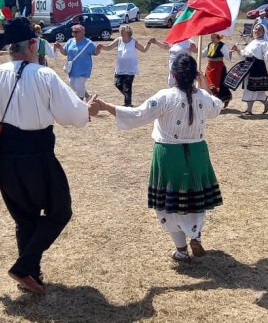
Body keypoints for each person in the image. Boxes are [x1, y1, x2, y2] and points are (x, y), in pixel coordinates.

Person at [0, 17, 99, 294]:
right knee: (60, 211)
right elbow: (73, 116)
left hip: (6, 157)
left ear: (9, 48)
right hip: (39, 155)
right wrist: (88, 110)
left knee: (25, 218)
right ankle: (25, 267)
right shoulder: (44, 75)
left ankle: (31, 275)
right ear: (34, 44)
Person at [92, 54, 223, 262]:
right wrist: (204, 82)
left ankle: (181, 249)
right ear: (194, 76)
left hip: (169, 154)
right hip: (198, 153)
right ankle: (195, 233)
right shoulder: (203, 97)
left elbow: (137, 115)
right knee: (194, 199)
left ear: (173, 75)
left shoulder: (164, 97)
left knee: (169, 203)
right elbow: (217, 107)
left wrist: (107, 106)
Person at [95, 25, 152, 106]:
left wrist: (149, 43)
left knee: (127, 86)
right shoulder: (118, 40)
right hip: (120, 67)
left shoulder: (133, 41)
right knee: (117, 83)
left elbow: (143, 49)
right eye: (120, 30)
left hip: (130, 68)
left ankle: (128, 104)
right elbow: (108, 47)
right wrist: (102, 47)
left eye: (122, 30)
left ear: (128, 31)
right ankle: (127, 97)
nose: (120, 32)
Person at [230, 25, 268, 116]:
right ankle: (266, 103)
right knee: (251, 88)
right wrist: (238, 50)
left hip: (257, 67)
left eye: (259, 30)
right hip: (248, 66)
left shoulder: (264, 43)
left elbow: (267, 56)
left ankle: (249, 110)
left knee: (252, 88)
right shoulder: (252, 42)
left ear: (263, 32)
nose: (256, 31)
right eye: (255, 29)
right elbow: (245, 54)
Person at [54, 24, 98, 100]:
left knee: (78, 85)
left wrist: (99, 49)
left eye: (76, 32)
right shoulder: (70, 41)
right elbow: (65, 52)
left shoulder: (88, 43)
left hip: (83, 69)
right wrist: (60, 47)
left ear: (83, 32)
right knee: (73, 85)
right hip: (72, 69)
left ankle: (80, 103)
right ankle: (88, 97)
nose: (74, 34)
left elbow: (95, 53)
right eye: (73, 32)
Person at [202, 34, 238, 108]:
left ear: (218, 38)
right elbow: (203, 54)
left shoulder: (222, 45)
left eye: (214, 37)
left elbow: (228, 55)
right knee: (208, 84)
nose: (212, 39)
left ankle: (221, 100)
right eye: (211, 37)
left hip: (219, 68)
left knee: (220, 85)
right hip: (210, 68)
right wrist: (197, 49)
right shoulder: (210, 45)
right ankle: (210, 102)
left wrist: (230, 52)